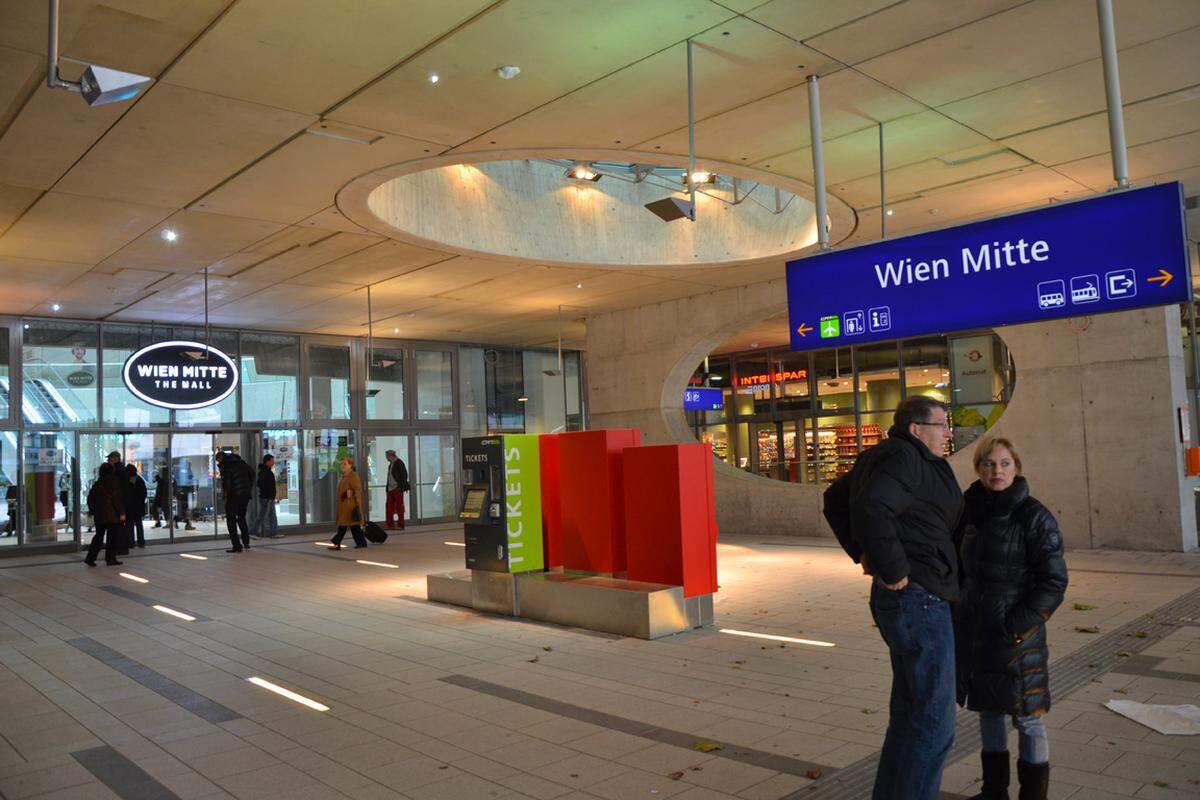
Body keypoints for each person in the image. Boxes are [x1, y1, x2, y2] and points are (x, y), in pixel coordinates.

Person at [850, 396, 963, 800]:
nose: (948, 432)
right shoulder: (905, 458)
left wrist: (867, 552)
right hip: (919, 599)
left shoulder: (891, 456)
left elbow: (838, 500)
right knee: (934, 723)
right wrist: (892, 567)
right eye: (941, 424)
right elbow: (869, 507)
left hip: (916, 596)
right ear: (917, 429)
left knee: (911, 715)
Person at [957, 437, 1067, 800]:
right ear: (978, 469)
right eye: (988, 464)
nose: (996, 471)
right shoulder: (969, 511)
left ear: (1016, 467)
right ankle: (994, 792)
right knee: (988, 713)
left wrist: (1018, 625)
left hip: (1018, 637)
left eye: (1004, 464)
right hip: (979, 634)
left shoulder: (1034, 515)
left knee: (1027, 717)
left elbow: (1053, 580)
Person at [83, 463, 125, 566]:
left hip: (99, 515)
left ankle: (90, 558)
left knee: (98, 537)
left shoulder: (97, 483)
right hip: (112, 516)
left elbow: (90, 499)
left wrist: (93, 510)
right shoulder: (114, 482)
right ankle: (110, 559)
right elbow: (117, 499)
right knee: (112, 538)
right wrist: (122, 512)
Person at [215, 451, 254, 553]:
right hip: (245, 495)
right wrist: (248, 487)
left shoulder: (226, 465)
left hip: (233, 496)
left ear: (221, 458)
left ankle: (237, 546)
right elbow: (252, 473)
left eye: (217, 460)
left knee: (231, 520)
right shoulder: (241, 462)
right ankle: (246, 543)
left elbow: (227, 483)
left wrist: (226, 496)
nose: (217, 462)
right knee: (241, 518)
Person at [331, 457, 367, 550]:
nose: (343, 465)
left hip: (350, 505)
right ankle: (361, 542)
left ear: (351, 465)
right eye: (342, 464)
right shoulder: (344, 476)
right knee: (354, 525)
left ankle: (337, 542)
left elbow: (357, 489)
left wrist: (348, 493)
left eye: (345, 464)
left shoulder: (353, 476)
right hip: (344, 505)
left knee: (343, 525)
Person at [250, 454, 280, 539]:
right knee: (262, 515)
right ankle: (253, 532)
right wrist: (268, 492)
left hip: (270, 497)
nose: (273, 462)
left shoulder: (268, 471)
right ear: (267, 462)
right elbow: (260, 484)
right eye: (272, 461)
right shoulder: (264, 472)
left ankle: (274, 533)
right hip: (266, 497)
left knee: (272, 515)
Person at [123, 463, 148, 548]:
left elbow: (124, 495)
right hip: (138, 507)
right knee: (139, 525)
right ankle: (141, 542)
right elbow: (144, 494)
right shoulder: (140, 480)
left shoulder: (125, 481)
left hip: (129, 507)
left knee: (129, 526)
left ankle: (131, 543)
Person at [384, 449, 410, 530]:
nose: (386, 458)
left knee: (399, 506)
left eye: (386, 456)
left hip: (397, 488)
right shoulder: (391, 464)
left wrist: (401, 486)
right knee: (389, 506)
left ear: (390, 455)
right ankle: (390, 524)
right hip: (390, 489)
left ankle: (400, 525)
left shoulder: (399, 463)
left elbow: (404, 475)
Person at [174, 459, 196, 530]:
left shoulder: (178, 471)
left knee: (183, 508)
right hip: (185, 492)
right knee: (186, 508)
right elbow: (190, 479)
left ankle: (178, 520)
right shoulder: (185, 471)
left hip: (182, 492)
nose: (190, 465)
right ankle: (186, 523)